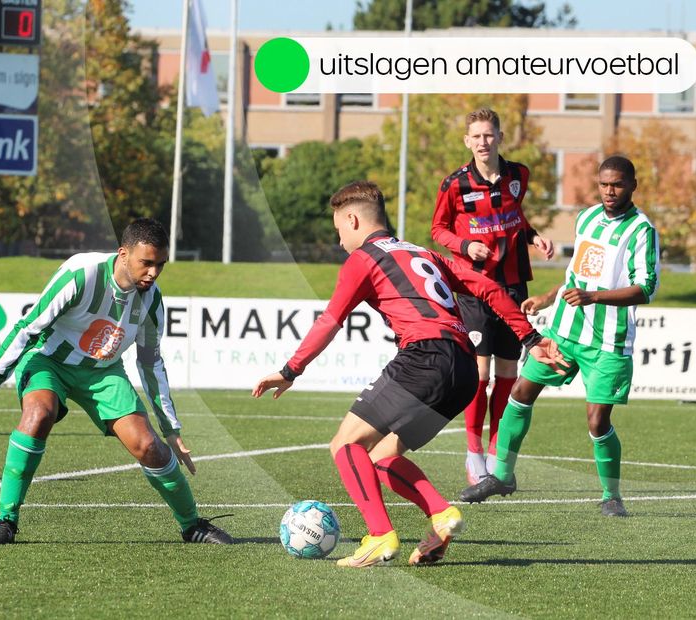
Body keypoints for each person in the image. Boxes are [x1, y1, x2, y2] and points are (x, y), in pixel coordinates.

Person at [252, 181, 562, 568]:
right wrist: (530, 337)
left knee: (345, 444)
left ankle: (380, 535)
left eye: (338, 231)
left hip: (425, 356)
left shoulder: (364, 258)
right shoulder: (423, 252)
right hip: (464, 367)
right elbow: (488, 288)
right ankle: (441, 515)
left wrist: (290, 370)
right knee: (383, 455)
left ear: (352, 219)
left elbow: (332, 319)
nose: (339, 240)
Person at [0, 218, 233, 546]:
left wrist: (170, 428)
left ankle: (191, 525)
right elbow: (28, 328)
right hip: (48, 361)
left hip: (102, 372)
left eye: (160, 265)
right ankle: (6, 521)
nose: (153, 273)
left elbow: (150, 362)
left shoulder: (152, 302)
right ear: (123, 254)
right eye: (147, 263)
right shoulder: (80, 274)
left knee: (148, 447)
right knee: (39, 415)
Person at [459, 156, 660, 517]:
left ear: (633, 185)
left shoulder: (641, 230)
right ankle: (502, 475)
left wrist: (593, 297)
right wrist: (548, 298)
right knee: (521, 393)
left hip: (607, 343)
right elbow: (576, 276)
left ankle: (611, 496)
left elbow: (645, 288)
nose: (609, 191)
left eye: (617, 184)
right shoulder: (586, 218)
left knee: (597, 421)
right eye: (603, 184)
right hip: (564, 331)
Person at [431, 107, 556, 487]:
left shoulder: (519, 175)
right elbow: (438, 230)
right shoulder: (454, 185)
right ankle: (473, 455)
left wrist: (534, 237)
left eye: (489, 135)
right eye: (477, 136)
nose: (483, 142)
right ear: (467, 141)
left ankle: (497, 451)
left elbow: (515, 218)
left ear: (500, 137)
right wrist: (465, 245)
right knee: (479, 374)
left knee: (507, 373)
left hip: (514, 286)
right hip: (473, 288)